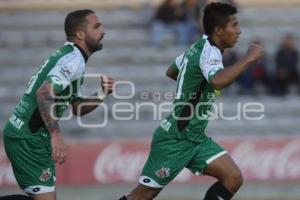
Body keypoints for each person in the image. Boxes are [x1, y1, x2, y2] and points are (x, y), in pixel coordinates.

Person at [119, 2, 263, 200]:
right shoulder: (209, 52)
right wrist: (249, 58)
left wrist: (192, 87)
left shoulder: (198, 47)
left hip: (195, 137)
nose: (239, 31)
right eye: (235, 25)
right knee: (142, 195)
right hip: (176, 138)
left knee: (233, 177)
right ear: (219, 31)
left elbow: (171, 70)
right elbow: (218, 81)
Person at [1, 9, 115, 200]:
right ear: (80, 34)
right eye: (97, 26)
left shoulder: (72, 57)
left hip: (30, 135)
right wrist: (57, 135)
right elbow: (44, 93)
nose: (103, 31)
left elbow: (78, 108)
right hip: (28, 137)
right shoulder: (73, 60)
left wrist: (102, 93)